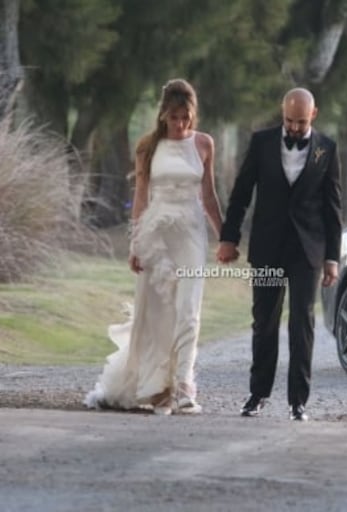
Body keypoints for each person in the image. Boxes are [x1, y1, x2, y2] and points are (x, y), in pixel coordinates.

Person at [84, 78, 224, 415]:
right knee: (159, 311)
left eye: (185, 117)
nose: (180, 124)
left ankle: (185, 384)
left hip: (190, 233)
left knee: (189, 308)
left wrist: (227, 237)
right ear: (163, 115)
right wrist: (135, 244)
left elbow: (208, 196)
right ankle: (158, 385)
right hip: (155, 235)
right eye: (174, 117)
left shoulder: (204, 144)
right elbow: (141, 196)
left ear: (193, 115)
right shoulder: (148, 146)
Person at [217, 87, 342, 421]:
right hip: (268, 248)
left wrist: (332, 257)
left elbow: (333, 208)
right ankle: (257, 395)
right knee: (264, 322)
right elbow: (241, 194)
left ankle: (298, 401)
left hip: (307, 252)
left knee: (303, 323)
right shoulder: (261, 143)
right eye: (289, 120)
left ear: (313, 115)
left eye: (301, 122)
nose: (294, 128)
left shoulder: (327, 149)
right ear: (282, 113)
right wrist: (228, 238)